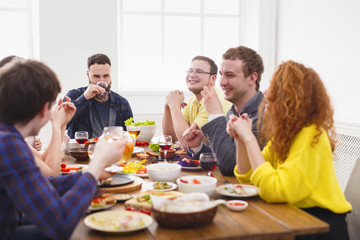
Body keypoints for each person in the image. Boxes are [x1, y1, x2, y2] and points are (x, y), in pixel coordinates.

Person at [0, 60, 127, 239]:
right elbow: (60, 224)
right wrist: (95, 166)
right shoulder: (8, 146)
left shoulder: (8, 136)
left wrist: (89, 175)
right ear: (45, 109)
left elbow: (42, 184)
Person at [227, 60, 352, 240]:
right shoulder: (284, 136)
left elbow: (277, 190)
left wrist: (249, 138)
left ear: (291, 99)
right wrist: (240, 138)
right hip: (295, 217)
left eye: (275, 89)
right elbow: (246, 176)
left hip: (320, 226)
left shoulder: (312, 135)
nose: (266, 94)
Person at [183, 46, 265, 176]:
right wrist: (197, 146)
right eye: (221, 75)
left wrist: (215, 114)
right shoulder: (233, 112)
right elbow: (224, 153)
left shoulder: (264, 115)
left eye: (230, 75)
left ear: (252, 78)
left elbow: (231, 166)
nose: (221, 82)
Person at [162, 56, 232, 148]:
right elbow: (171, 137)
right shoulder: (192, 101)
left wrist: (174, 105)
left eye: (199, 71)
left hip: (215, 160)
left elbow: (189, 144)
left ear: (213, 78)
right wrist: (168, 106)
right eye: (190, 71)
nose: (192, 75)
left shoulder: (214, 102)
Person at [65, 53, 133, 138]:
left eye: (106, 76)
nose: (102, 81)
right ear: (88, 75)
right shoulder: (74, 95)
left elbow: (130, 136)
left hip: (112, 149)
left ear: (111, 74)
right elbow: (61, 124)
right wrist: (84, 98)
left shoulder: (122, 103)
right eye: (96, 76)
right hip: (82, 150)